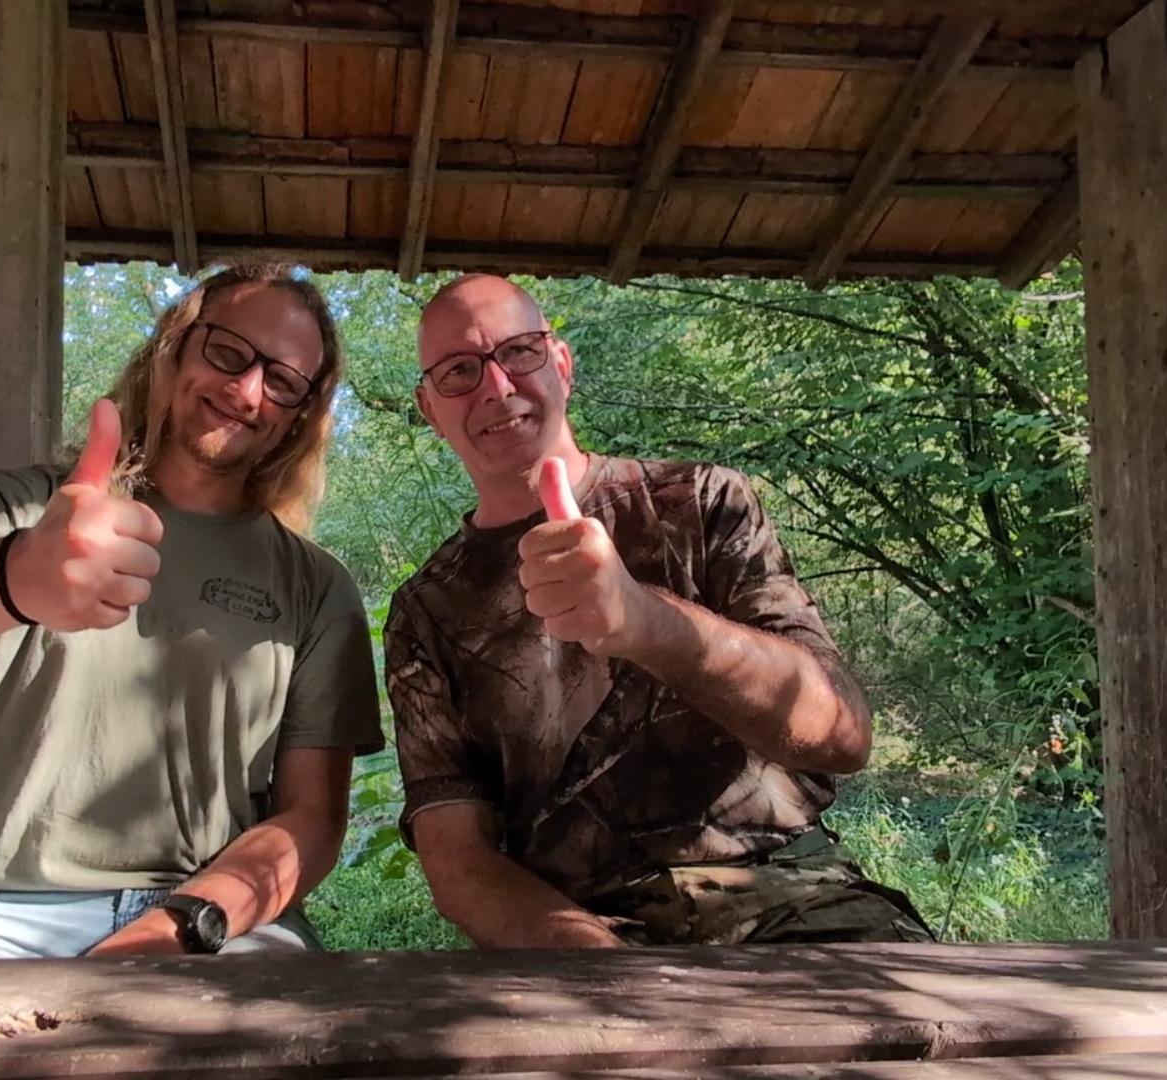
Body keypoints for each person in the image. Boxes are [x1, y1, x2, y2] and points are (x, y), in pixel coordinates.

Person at [0, 265, 382, 960]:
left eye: (283, 381)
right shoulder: (23, 508)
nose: (246, 391)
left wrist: (176, 928)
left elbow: (313, 822)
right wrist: (14, 574)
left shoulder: (317, 586)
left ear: (299, 416)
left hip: (211, 916)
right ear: (174, 345)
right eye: (228, 352)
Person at [384, 274, 932, 948]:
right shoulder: (425, 610)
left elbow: (843, 737)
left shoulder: (704, 503)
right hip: (578, 934)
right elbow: (458, 862)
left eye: (519, 352)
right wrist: (601, 962)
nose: (496, 388)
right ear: (430, 409)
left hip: (796, 901)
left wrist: (648, 623)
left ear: (561, 363)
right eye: (459, 372)